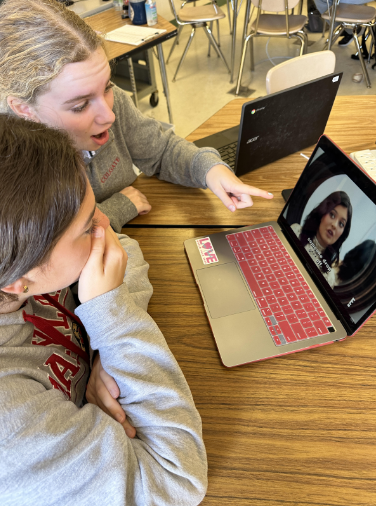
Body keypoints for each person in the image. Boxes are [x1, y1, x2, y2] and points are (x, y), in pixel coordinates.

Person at [0, 115, 207, 505]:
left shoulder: (20, 268)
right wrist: (111, 316)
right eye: (86, 228)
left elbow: (121, 246)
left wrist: (106, 356)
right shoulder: (12, 433)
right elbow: (177, 477)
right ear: (17, 280)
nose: (103, 225)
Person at [0, 0, 273, 233]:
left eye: (107, 86)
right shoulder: (12, 166)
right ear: (24, 109)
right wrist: (117, 209)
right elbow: (52, 250)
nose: (108, 115)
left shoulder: (113, 103)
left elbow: (161, 150)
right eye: (80, 106)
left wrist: (210, 170)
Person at [291, 191, 352, 287]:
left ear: (342, 233)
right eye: (332, 215)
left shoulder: (329, 278)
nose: (334, 225)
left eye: (341, 224)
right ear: (322, 212)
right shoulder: (295, 231)